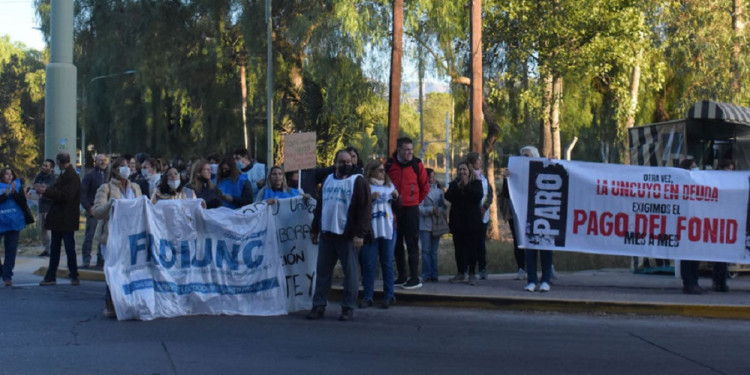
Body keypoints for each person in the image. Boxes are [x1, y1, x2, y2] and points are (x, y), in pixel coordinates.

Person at [307, 150, 371, 322]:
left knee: (350, 273)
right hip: (327, 233)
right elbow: (320, 206)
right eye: (342, 161)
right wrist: (315, 229)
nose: (347, 164)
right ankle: (318, 305)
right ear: (335, 163)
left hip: (347, 235)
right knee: (322, 272)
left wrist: (360, 234)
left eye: (349, 161)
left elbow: (365, 209)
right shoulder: (327, 180)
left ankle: (348, 307)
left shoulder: (358, 181)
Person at [93, 157, 143, 318]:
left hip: (131, 235)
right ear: (114, 170)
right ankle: (111, 305)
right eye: (122, 166)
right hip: (111, 236)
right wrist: (111, 204)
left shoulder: (135, 188)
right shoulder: (106, 188)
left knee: (130, 271)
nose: (126, 169)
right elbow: (98, 211)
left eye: (128, 166)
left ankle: (128, 303)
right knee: (113, 271)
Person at [386, 137, 430, 289]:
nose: (410, 153)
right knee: (397, 243)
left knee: (412, 243)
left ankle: (414, 277)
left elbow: (425, 187)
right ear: (399, 150)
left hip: (411, 209)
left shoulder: (417, 165)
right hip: (393, 209)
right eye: (406, 150)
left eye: (411, 150)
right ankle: (402, 275)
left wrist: (414, 201)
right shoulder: (389, 165)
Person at [359, 159, 399, 309]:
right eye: (380, 170)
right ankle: (368, 296)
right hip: (371, 230)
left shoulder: (389, 186)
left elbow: (397, 205)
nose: (383, 173)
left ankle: (389, 296)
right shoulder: (365, 186)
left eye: (384, 170)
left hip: (388, 229)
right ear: (372, 171)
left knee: (387, 263)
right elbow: (358, 204)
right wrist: (370, 198)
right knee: (369, 264)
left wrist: (395, 197)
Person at [515, 146, 554, 292]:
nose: (525, 158)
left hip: (545, 214)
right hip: (528, 215)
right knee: (530, 249)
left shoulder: (544, 170)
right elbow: (509, 193)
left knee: (545, 248)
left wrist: (553, 164)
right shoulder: (518, 173)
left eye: (528, 155)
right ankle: (532, 280)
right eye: (523, 156)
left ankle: (545, 280)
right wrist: (508, 177)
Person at [40, 152, 82, 286]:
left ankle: (72, 274)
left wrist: (47, 191)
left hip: (65, 218)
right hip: (60, 219)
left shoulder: (71, 177)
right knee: (57, 248)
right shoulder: (66, 175)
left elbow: (66, 196)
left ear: (58, 162)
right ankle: (53, 275)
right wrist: (46, 190)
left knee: (68, 248)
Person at [444, 161, 484, 285]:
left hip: (472, 222)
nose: (462, 172)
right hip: (458, 222)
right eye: (460, 169)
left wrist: (466, 186)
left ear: (469, 171)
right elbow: (448, 196)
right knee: (459, 249)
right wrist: (459, 186)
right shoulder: (454, 184)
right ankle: (461, 272)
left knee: (472, 249)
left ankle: (472, 273)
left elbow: (478, 196)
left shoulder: (476, 183)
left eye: (464, 170)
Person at [0, 168, 33, 287]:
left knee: (11, 250)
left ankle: (7, 275)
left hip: (14, 223)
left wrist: (14, 193)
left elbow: (23, 202)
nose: (9, 176)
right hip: (1, 222)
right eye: (6, 174)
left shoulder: (17, 187)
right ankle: (2, 271)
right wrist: (5, 195)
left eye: (11, 174)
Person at [466, 152, 493, 279]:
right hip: (471, 216)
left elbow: (490, 195)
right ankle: (470, 270)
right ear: (472, 163)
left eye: (481, 160)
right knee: (471, 244)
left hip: (483, 215)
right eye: (478, 161)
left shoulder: (484, 177)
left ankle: (482, 268)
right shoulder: (467, 176)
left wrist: (485, 207)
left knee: (481, 244)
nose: (480, 162)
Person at [678, 158, 703, 294]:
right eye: (693, 167)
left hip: (695, 223)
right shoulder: (682, 184)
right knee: (687, 256)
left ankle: (694, 282)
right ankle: (689, 283)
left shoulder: (698, 183)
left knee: (695, 255)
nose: (696, 169)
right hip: (685, 224)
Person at [80, 153, 108, 269]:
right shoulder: (90, 175)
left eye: (104, 160)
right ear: (95, 161)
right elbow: (83, 194)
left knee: (103, 236)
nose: (103, 162)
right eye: (100, 160)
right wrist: (88, 207)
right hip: (93, 210)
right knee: (89, 236)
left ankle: (101, 260)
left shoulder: (109, 175)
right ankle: (86, 260)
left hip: (106, 212)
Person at [419, 168, 446, 283]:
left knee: (434, 251)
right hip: (425, 224)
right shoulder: (421, 191)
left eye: (434, 176)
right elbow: (418, 208)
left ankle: (435, 274)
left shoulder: (440, 191)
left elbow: (444, 207)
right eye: (430, 176)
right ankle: (426, 274)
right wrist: (430, 210)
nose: (432, 178)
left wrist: (438, 210)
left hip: (437, 224)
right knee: (425, 251)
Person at [712, 158, 735, 292]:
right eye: (727, 168)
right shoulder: (715, 180)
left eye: (731, 169)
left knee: (724, 255)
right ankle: (718, 281)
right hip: (717, 221)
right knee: (718, 255)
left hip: (727, 220)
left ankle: (721, 280)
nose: (729, 171)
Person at [32, 158, 56, 257]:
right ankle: (46, 248)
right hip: (41, 206)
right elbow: (36, 186)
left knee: (49, 229)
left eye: (46, 166)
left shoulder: (53, 178)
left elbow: (47, 189)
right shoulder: (40, 176)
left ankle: (52, 249)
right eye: (43, 165)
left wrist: (42, 189)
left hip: (50, 207)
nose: (43, 167)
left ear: (51, 168)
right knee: (43, 230)